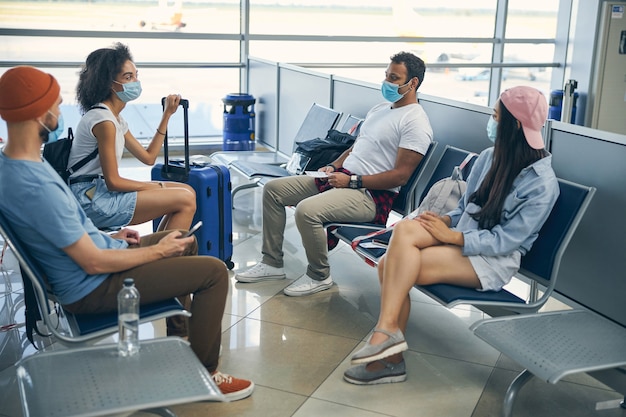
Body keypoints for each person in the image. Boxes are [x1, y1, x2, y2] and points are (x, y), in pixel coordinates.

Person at [0, 66, 253, 401]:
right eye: (56, 105)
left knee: (185, 244)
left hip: (95, 261)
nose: (61, 111)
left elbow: (70, 231)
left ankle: (182, 344)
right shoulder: (35, 184)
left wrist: (114, 238)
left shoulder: (19, 165)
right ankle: (207, 375)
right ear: (39, 113)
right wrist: (155, 252)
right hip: (92, 286)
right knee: (215, 273)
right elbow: (92, 262)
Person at [343, 85, 559, 385]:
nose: (491, 121)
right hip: (460, 236)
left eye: (496, 116)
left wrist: (454, 237)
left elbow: (507, 241)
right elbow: (465, 209)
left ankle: (389, 351)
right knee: (406, 229)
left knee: (387, 266)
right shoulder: (488, 157)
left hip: (491, 259)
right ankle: (388, 336)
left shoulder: (541, 183)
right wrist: (443, 220)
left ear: (514, 125)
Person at [235, 51, 433, 297]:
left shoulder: (416, 122)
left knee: (307, 211)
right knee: (274, 191)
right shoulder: (381, 109)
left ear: (412, 83)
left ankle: (319, 275)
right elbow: (355, 147)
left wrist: (351, 181)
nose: (386, 82)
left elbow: (400, 177)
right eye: (386, 75)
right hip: (342, 178)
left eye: (394, 78)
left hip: (369, 196)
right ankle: (272, 262)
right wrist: (334, 165)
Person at [67, 42, 196, 231]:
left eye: (136, 76)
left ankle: (158, 252)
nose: (135, 82)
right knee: (184, 198)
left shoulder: (115, 118)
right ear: (110, 84)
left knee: (186, 192)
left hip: (98, 191)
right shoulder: (104, 121)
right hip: (91, 199)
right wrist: (156, 187)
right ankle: (162, 255)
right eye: (128, 77)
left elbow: (149, 157)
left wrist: (167, 114)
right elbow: (114, 182)